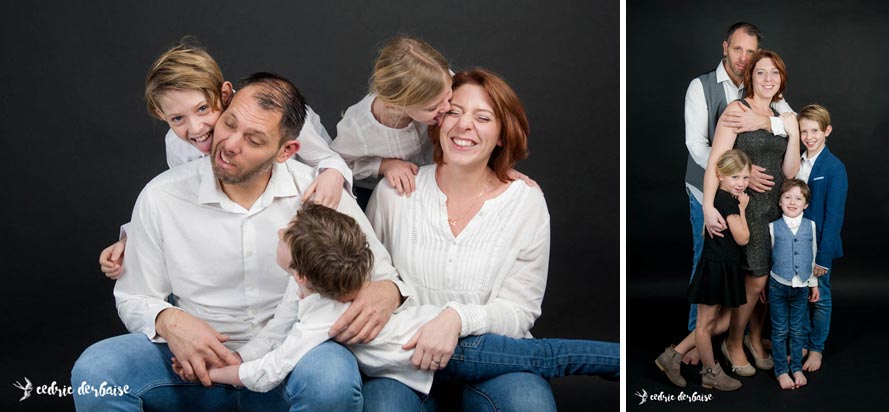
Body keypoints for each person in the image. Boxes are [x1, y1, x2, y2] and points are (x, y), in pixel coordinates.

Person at [71, 73, 408, 412]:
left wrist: (386, 291)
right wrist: (169, 321)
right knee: (98, 370)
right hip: (195, 364)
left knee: (331, 377)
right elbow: (134, 296)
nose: (230, 144)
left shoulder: (320, 192)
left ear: (285, 151)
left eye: (254, 139)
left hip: (291, 356)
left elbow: (384, 275)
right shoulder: (162, 196)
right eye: (229, 123)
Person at [364, 68, 618, 411]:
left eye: (483, 117)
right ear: (438, 122)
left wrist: (456, 319)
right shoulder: (395, 192)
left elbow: (520, 311)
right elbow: (368, 282)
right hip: (404, 362)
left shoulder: (524, 202)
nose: (464, 125)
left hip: (494, 359)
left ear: (501, 135)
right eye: (454, 112)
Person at [197, 203, 619, 394]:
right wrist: (235, 357)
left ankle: (618, 361)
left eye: (285, 234)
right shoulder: (313, 289)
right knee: (546, 358)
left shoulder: (318, 315)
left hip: (458, 349)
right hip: (429, 362)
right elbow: (272, 338)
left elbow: (269, 372)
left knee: (546, 359)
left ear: (300, 273)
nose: (278, 231)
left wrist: (214, 376)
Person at [98, 38, 352, 279]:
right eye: (178, 119)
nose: (196, 128)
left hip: (293, 209)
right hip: (234, 228)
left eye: (202, 109)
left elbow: (328, 158)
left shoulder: (280, 118)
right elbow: (180, 198)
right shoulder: (177, 146)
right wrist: (133, 236)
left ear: (225, 95)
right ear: (161, 115)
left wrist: (332, 173)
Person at [682, 22, 793, 364]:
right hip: (712, 190)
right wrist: (737, 177)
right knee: (711, 266)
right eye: (738, 50)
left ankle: (744, 340)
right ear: (725, 47)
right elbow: (699, 146)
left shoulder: (770, 95)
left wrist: (765, 124)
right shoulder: (702, 88)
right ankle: (699, 348)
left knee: (752, 278)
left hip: (759, 205)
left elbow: (787, 127)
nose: (744, 58)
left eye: (751, 52)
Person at [330, 35, 534, 208]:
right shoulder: (359, 128)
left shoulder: (439, 83)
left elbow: (478, 132)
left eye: (448, 97)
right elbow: (337, 163)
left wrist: (493, 167)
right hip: (389, 194)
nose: (447, 108)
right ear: (397, 106)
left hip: (445, 179)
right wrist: (385, 165)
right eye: (433, 108)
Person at [702, 49, 801, 377]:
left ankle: (755, 340)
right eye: (760, 72)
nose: (768, 79)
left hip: (777, 210)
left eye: (774, 73)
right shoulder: (736, 109)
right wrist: (707, 208)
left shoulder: (782, 115)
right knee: (755, 279)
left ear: (781, 79)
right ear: (750, 77)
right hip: (748, 210)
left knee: (767, 283)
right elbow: (716, 160)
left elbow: (789, 171)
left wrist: (793, 131)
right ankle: (733, 342)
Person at [656, 149, 751, 391]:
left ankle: (672, 355)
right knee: (705, 325)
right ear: (720, 175)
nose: (741, 183)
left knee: (719, 324)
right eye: (735, 177)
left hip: (727, 267)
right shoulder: (727, 201)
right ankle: (711, 373)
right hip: (716, 268)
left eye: (745, 177)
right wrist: (743, 209)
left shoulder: (724, 197)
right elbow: (742, 238)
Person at [796, 104, 847, 372]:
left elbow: (834, 217)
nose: (809, 136)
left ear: (826, 131)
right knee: (800, 296)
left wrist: (822, 258)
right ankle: (802, 343)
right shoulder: (797, 162)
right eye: (803, 131)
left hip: (819, 248)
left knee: (821, 298)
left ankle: (816, 349)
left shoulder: (834, 167)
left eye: (814, 130)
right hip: (796, 244)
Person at [767, 179, 820, 389]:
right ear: (779, 202)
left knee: (797, 331)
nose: (792, 202)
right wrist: (765, 287)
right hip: (778, 285)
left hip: (801, 287)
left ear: (806, 204)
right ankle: (781, 370)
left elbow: (813, 255)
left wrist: (813, 284)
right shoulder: (773, 227)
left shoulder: (811, 226)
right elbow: (769, 258)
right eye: (787, 197)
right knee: (779, 331)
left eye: (798, 198)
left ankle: (796, 367)